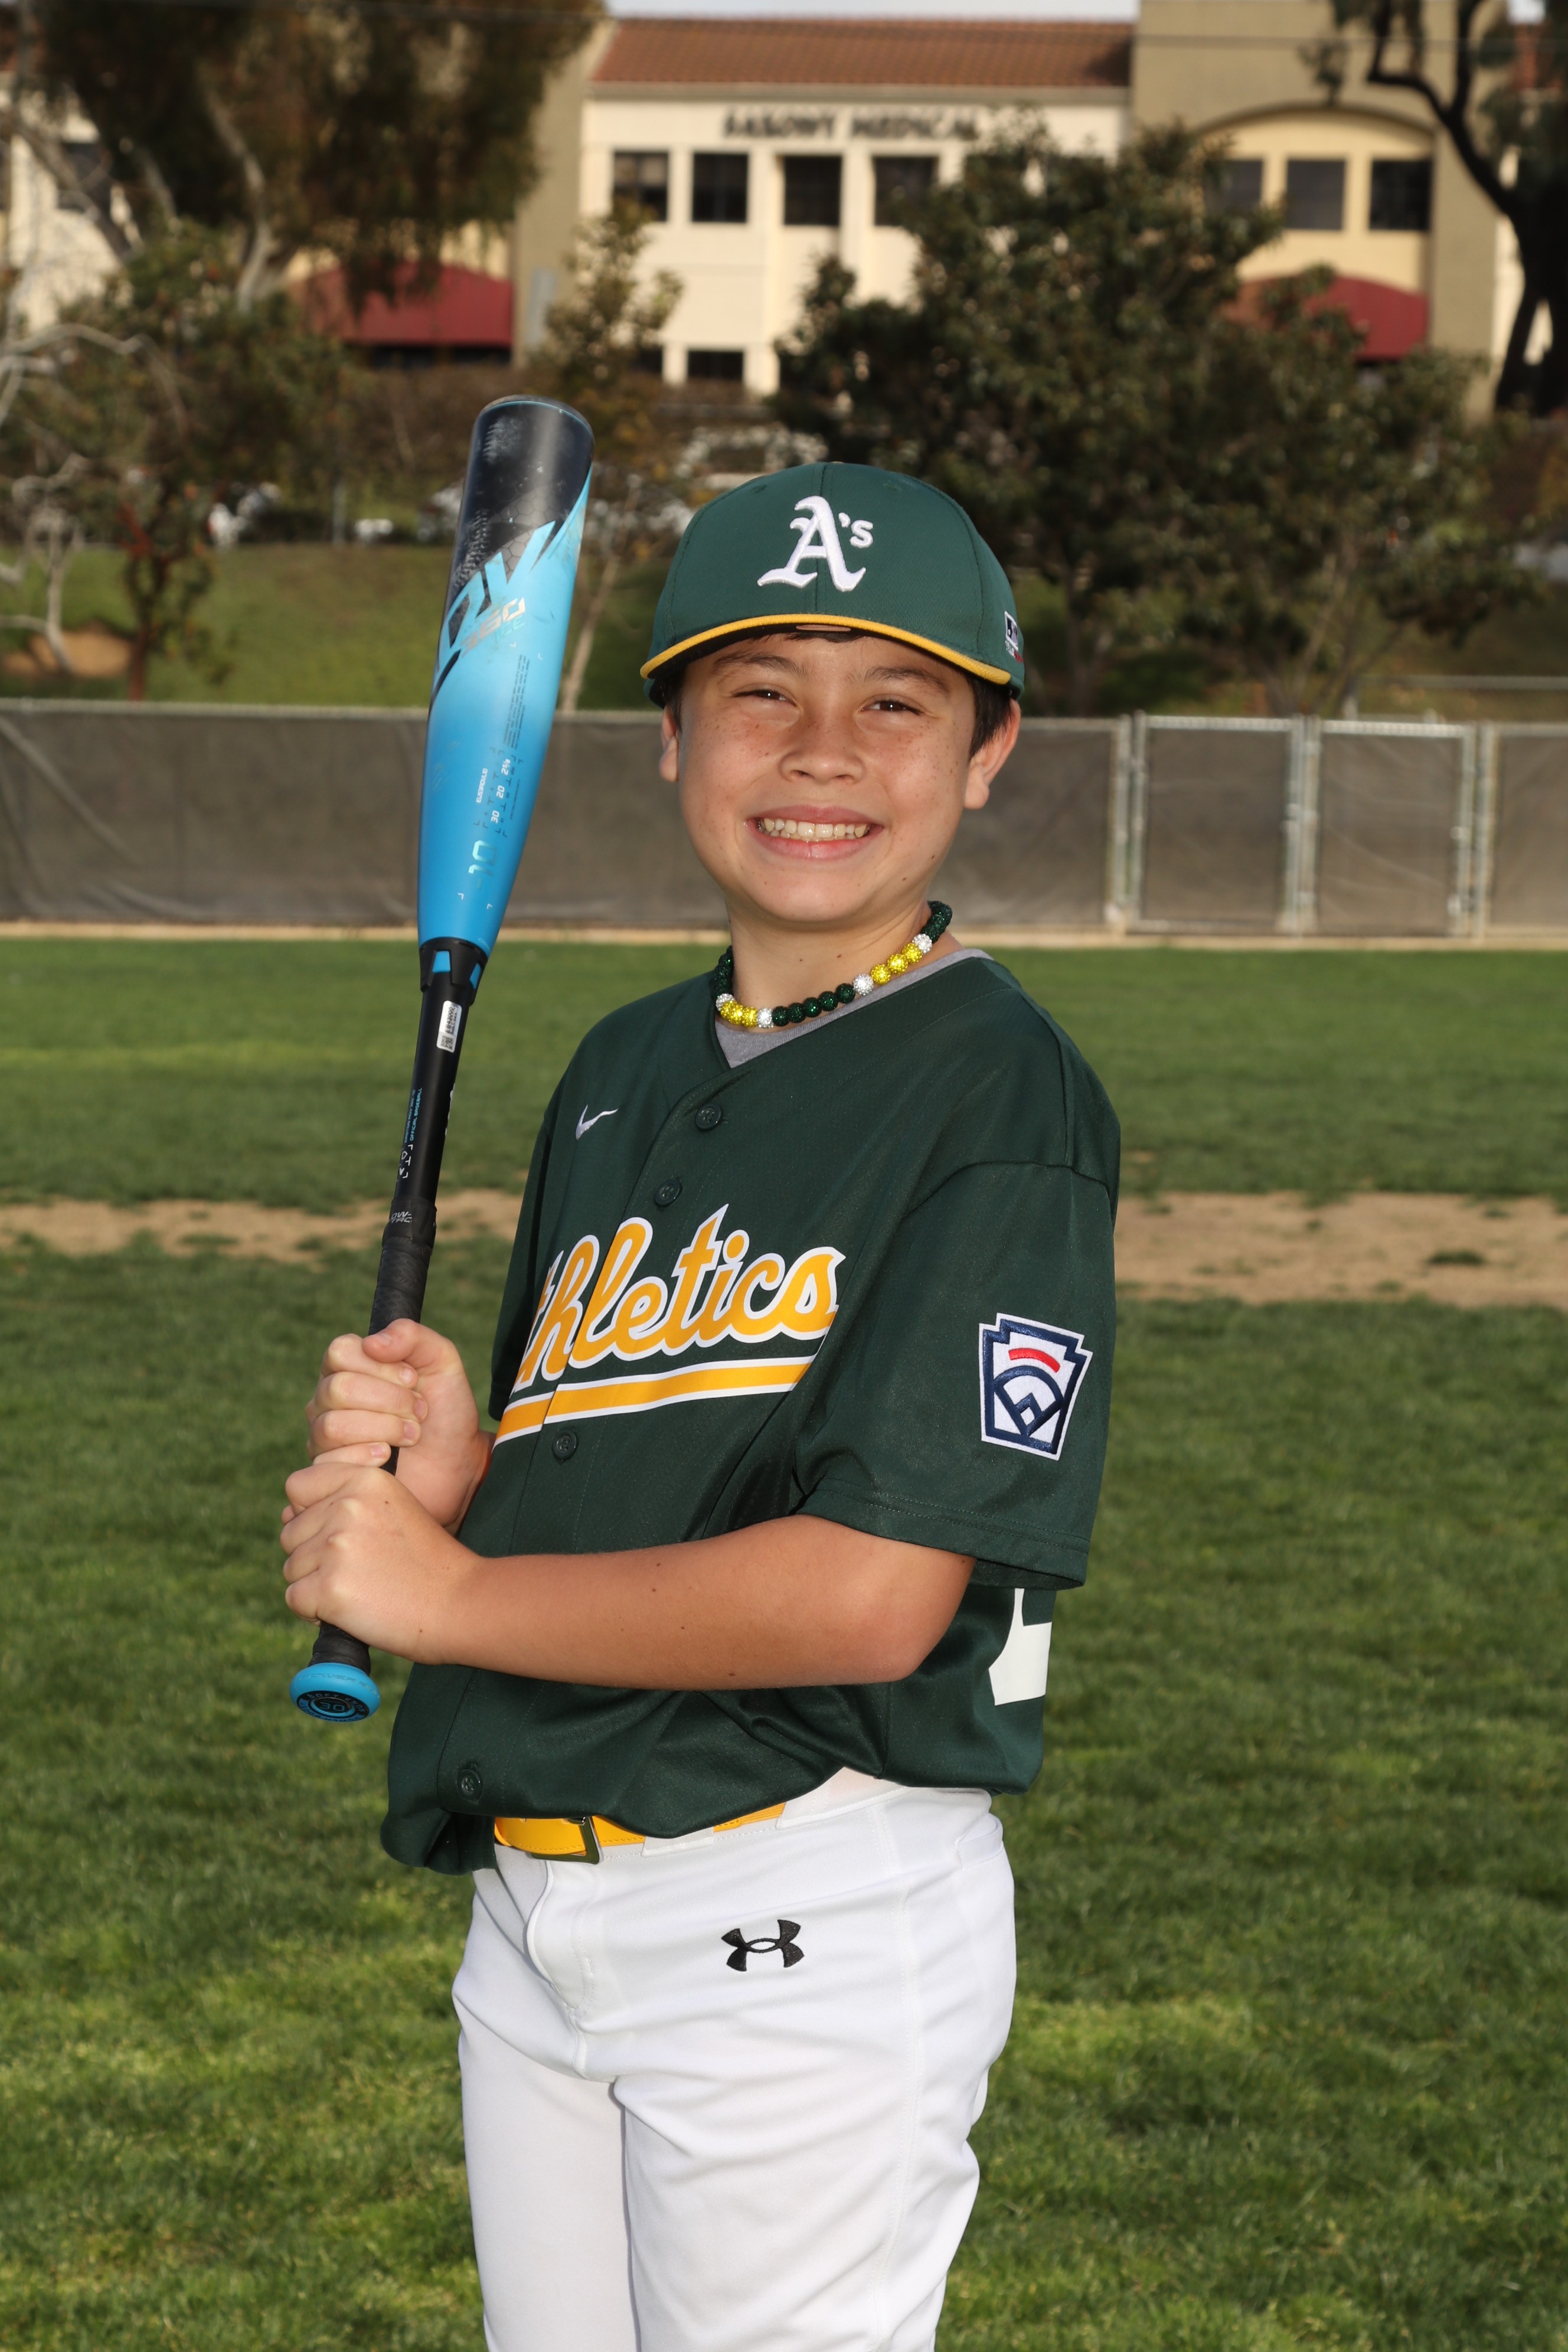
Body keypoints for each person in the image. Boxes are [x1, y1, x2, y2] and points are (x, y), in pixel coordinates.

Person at [280, 462, 1119, 2352]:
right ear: (670, 738)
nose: (822, 749)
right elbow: (638, 1461)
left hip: (797, 1909)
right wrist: (472, 1473)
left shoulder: (1000, 1089)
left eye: (894, 700)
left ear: (988, 753)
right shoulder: (624, 1063)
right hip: (540, 1908)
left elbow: (871, 1594)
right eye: (761, 691)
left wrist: (447, 1598)